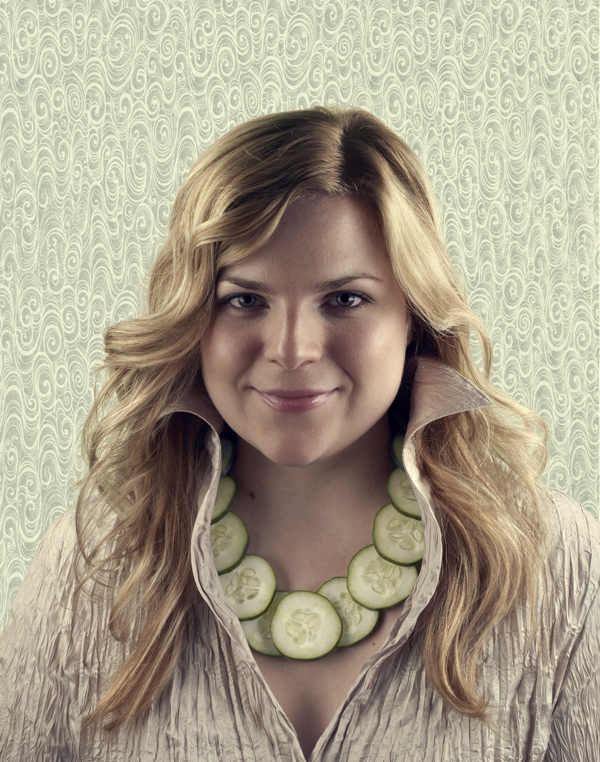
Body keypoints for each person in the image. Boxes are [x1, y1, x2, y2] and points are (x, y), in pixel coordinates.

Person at [0, 105, 598, 761]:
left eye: (345, 299)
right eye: (244, 299)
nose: (292, 349)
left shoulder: (560, 563)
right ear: (196, 320)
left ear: (413, 318)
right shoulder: (89, 563)